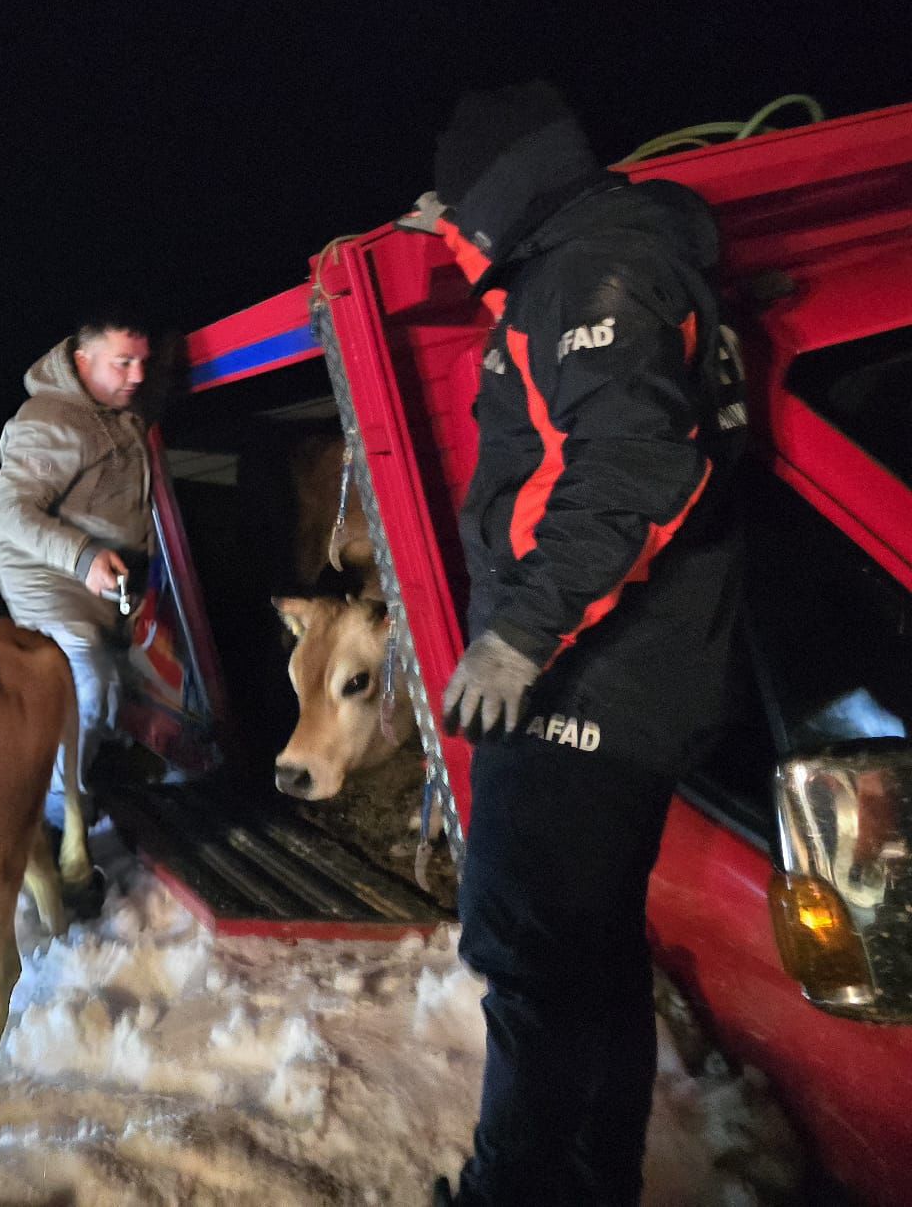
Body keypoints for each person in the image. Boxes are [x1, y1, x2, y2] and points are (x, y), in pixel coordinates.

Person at [404, 84, 742, 1207]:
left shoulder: (591, 275)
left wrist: (514, 637)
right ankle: (591, 1185)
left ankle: (516, 1194)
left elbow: (631, 466)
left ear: (503, 191)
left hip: (581, 681)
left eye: (463, 209)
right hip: (608, 676)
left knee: (530, 956)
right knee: (586, 959)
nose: (458, 230)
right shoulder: (580, 264)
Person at [0, 311, 155, 827]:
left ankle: (96, 772)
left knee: (123, 682)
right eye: (123, 362)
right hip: (49, 580)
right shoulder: (49, 419)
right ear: (83, 362)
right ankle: (60, 820)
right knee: (86, 678)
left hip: (107, 584)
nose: (138, 376)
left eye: (143, 362)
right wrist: (81, 557)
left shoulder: (116, 411)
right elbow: (10, 512)